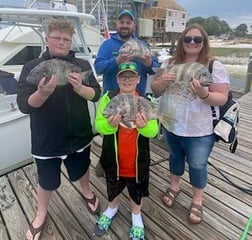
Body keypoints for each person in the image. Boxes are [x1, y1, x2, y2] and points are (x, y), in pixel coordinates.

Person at [16, 18, 101, 240]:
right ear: (47, 39)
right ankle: (40, 213)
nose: (62, 42)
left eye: (66, 39)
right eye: (57, 38)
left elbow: (97, 94)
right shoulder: (31, 68)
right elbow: (25, 105)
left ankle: (87, 191)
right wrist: (43, 93)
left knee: (82, 168)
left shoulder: (82, 65)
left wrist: (81, 88)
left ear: (71, 41)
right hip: (47, 139)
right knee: (47, 180)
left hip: (80, 135)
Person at [151, 23, 230, 224]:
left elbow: (221, 97)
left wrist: (204, 94)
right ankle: (174, 186)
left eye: (197, 39)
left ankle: (197, 198)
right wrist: (162, 82)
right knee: (175, 157)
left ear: (204, 42)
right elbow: (155, 89)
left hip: (200, 129)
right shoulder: (169, 63)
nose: (192, 43)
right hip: (171, 125)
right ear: (181, 42)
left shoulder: (214, 66)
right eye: (187, 39)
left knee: (197, 164)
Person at [94, 61, 159, 239]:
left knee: (136, 189)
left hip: (137, 161)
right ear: (117, 79)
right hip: (113, 158)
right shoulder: (108, 98)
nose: (127, 79)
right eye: (123, 76)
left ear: (138, 79)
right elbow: (99, 125)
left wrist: (144, 127)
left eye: (131, 76)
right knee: (112, 186)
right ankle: (112, 208)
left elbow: (153, 131)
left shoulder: (147, 100)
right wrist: (109, 125)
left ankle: (136, 215)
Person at [94, 9, 159, 96]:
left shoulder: (143, 45)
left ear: (134, 26)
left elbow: (155, 70)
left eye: (128, 23)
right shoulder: (107, 45)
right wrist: (116, 61)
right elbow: (98, 68)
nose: (125, 25)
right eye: (122, 22)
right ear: (117, 24)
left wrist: (149, 63)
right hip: (112, 100)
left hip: (137, 99)